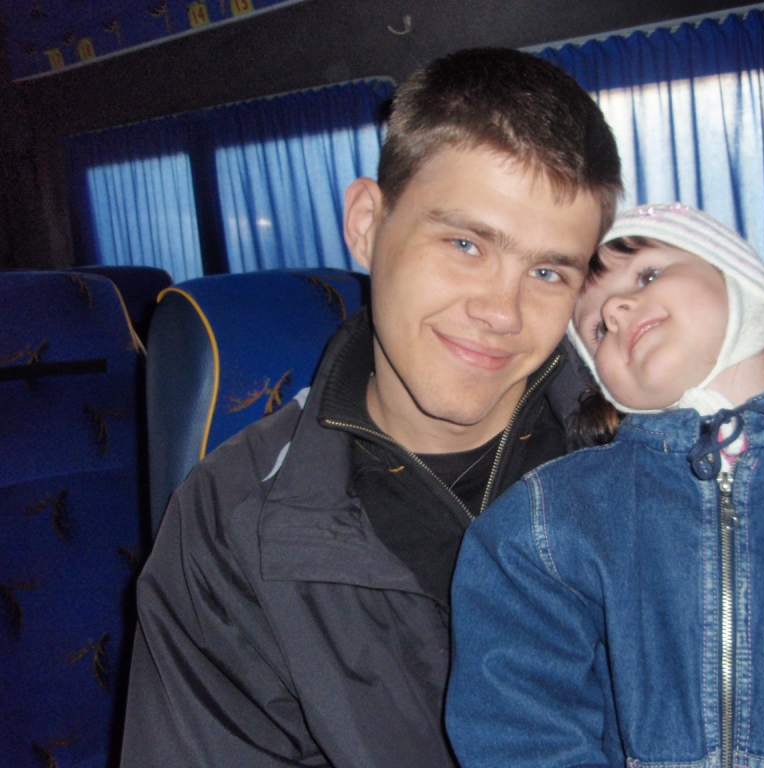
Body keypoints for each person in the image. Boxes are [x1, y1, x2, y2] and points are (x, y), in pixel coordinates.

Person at [120, 48, 621, 767]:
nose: (502, 312)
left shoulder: (643, 458)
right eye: (465, 243)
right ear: (366, 224)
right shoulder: (230, 526)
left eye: (547, 271)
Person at [446, 203, 764, 767]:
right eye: (596, 329)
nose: (617, 311)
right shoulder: (551, 518)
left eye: (647, 274)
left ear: (741, 279)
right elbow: (519, 724)